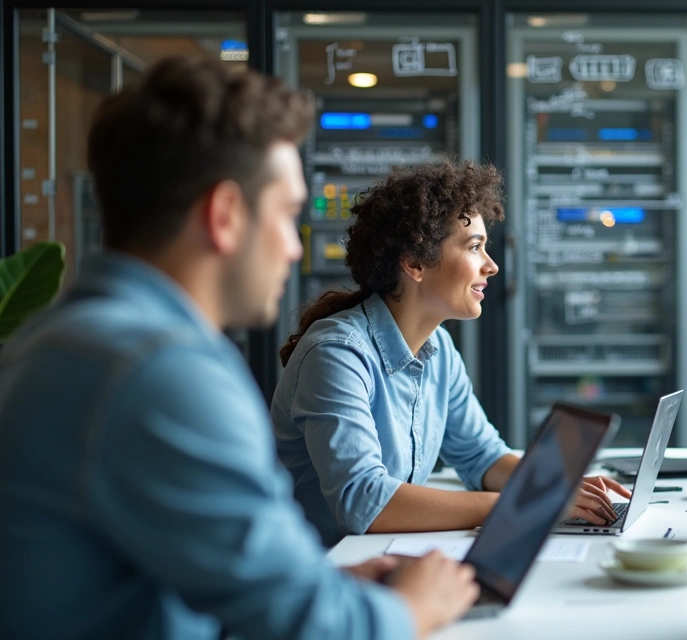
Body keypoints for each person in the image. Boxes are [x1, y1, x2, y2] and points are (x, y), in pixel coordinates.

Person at [0, 57, 477, 639]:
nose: (293, 249)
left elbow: (196, 575)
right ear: (225, 215)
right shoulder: (161, 371)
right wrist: (415, 605)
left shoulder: (73, 340)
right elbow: (316, 630)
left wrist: (330, 586)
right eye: (285, 215)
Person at [274, 162, 630, 547]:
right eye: (474, 247)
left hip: (376, 560)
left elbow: (482, 456)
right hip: (317, 576)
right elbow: (364, 503)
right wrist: (523, 503)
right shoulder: (337, 354)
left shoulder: (439, 348)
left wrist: (555, 484)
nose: (491, 266)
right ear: (414, 263)